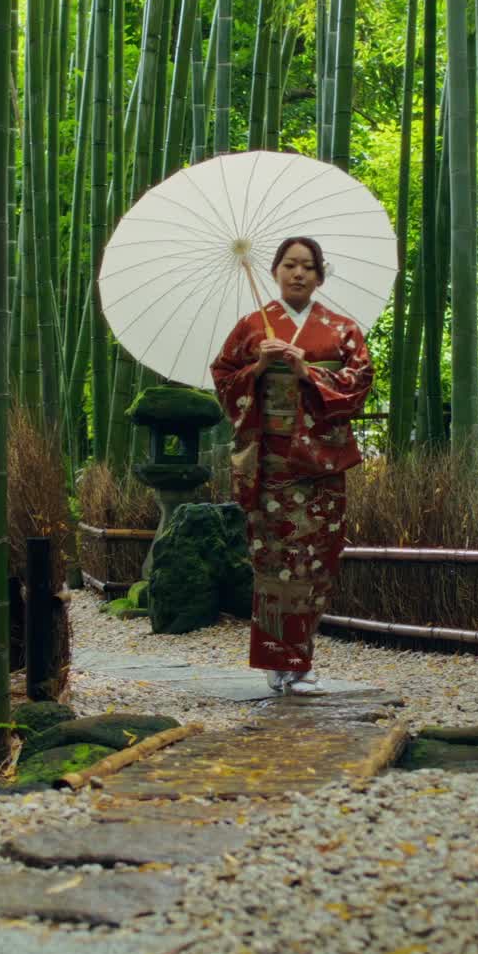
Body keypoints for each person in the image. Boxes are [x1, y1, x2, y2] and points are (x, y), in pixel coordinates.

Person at [211, 237, 374, 694]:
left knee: (318, 558)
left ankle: (300, 660)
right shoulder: (250, 328)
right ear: (276, 272)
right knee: (274, 559)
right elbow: (223, 378)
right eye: (289, 265)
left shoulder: (341, 329)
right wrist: (258, 367)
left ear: (320, 276)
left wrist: (311, 373)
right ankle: (278, 662)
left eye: (307, 266)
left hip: (321, 463)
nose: (298, 273)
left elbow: (360, 383)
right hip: (271, 463)